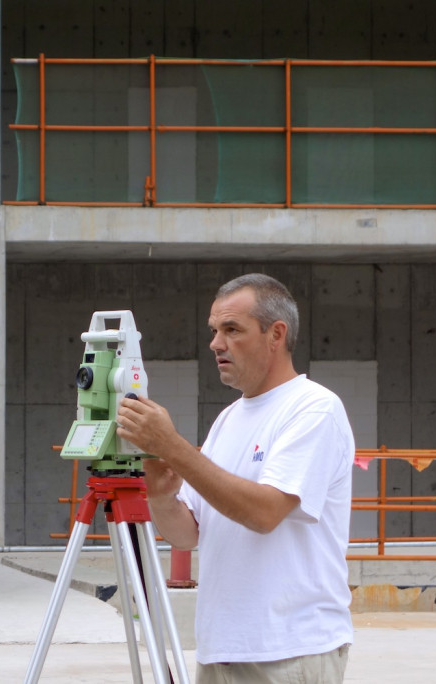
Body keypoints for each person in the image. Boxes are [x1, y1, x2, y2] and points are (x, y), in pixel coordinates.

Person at [116, 273, 354, 684]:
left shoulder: (314, 409)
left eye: (231, 329)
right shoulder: (228, 419)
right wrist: (160, 497)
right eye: (214, 330)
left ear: (275, 334)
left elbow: (265, 512)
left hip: (288, 651)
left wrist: (173, 447)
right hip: (221, 651)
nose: (216, 343)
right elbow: (188, 534)